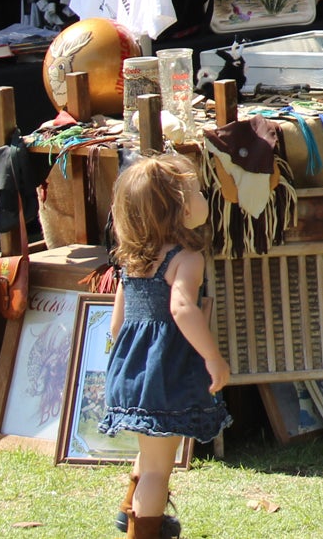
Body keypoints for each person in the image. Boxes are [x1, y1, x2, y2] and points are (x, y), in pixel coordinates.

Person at [99, 153, 231, 539]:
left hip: (130, 371)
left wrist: (121, 361)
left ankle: (130, 510)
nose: (205, 196)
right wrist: (212, 356)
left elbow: (116, 323)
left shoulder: (132, 262)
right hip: (163, 374)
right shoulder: (186, 259)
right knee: (159, 468)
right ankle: (143, 529)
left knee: (151, 450)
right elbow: (182, 308)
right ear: (179, 208)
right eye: (198, 191)